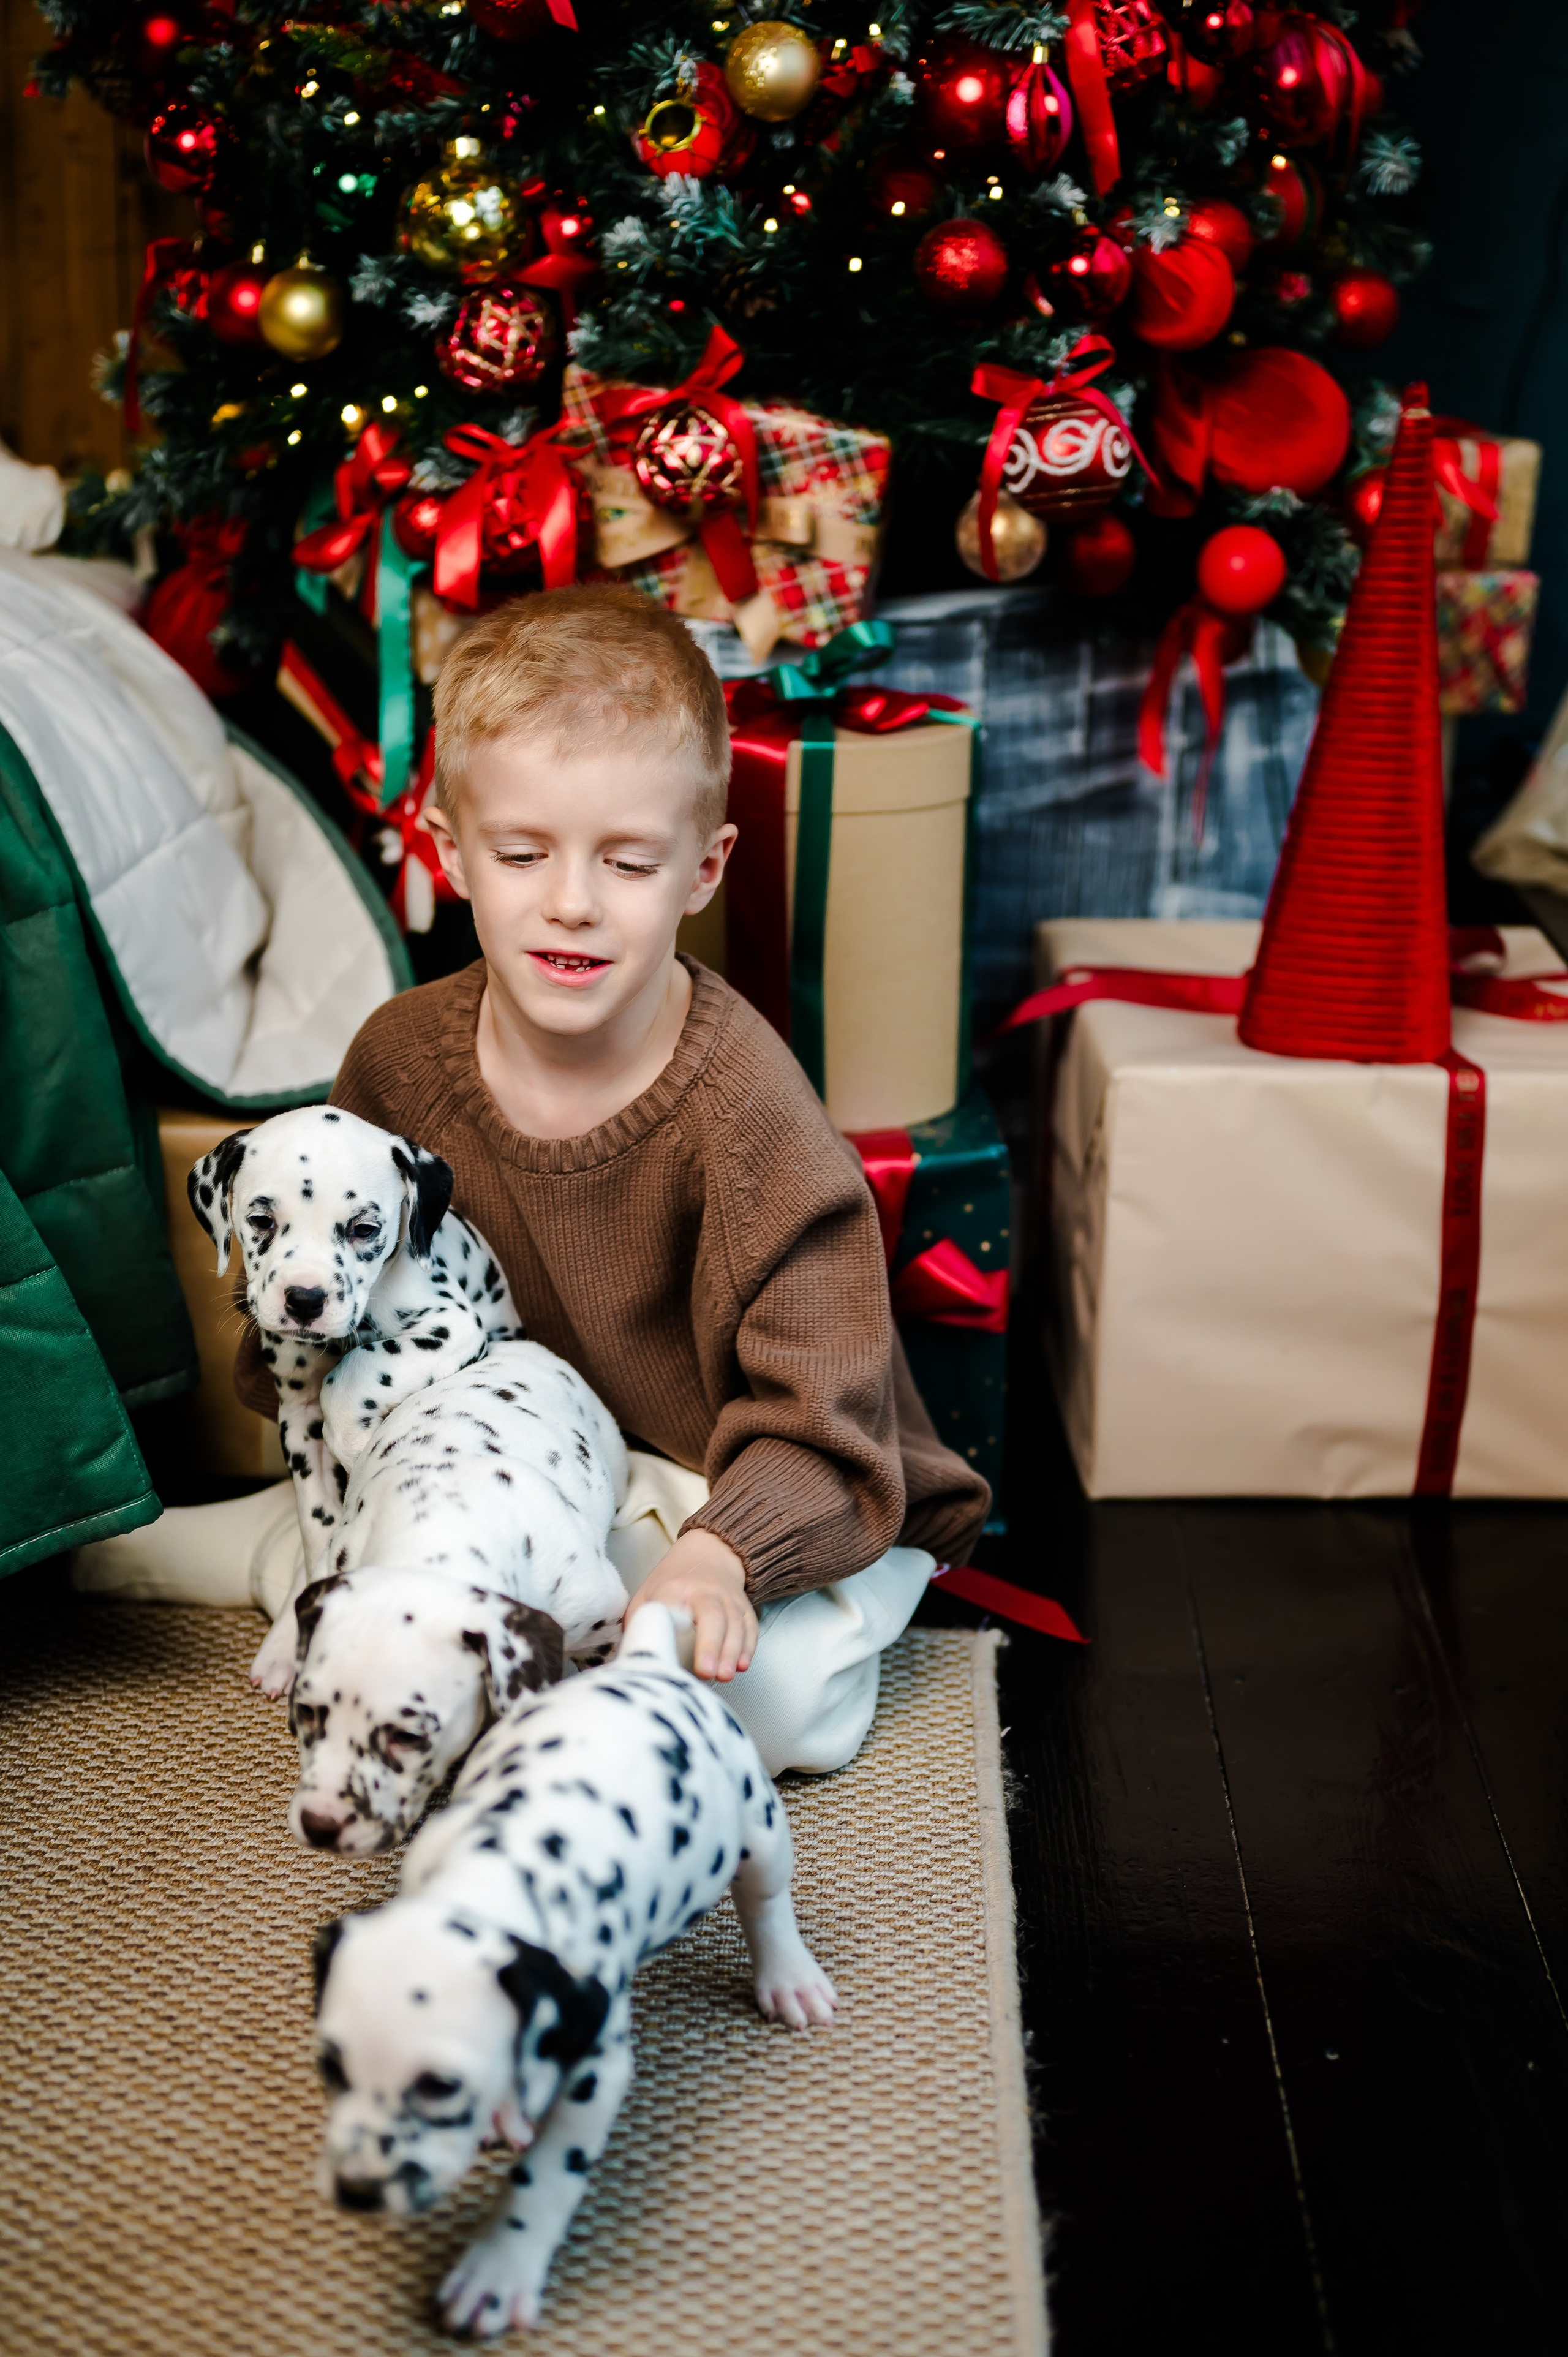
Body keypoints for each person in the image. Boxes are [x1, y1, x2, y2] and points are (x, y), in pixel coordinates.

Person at [76, 586, 989, 1774]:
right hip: (497, 1462)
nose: (571, 901)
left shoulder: (747, 1108)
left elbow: (827, 1411)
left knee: (743, 1698)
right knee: (412, 1597)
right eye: (522, 853)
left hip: (729, 1482)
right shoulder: (398, 1060)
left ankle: (665, 1627)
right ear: (451, 852)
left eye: (626, 860)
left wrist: (725, 1551)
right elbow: (332, 1305)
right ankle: (260, 1555)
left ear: (701, 870)